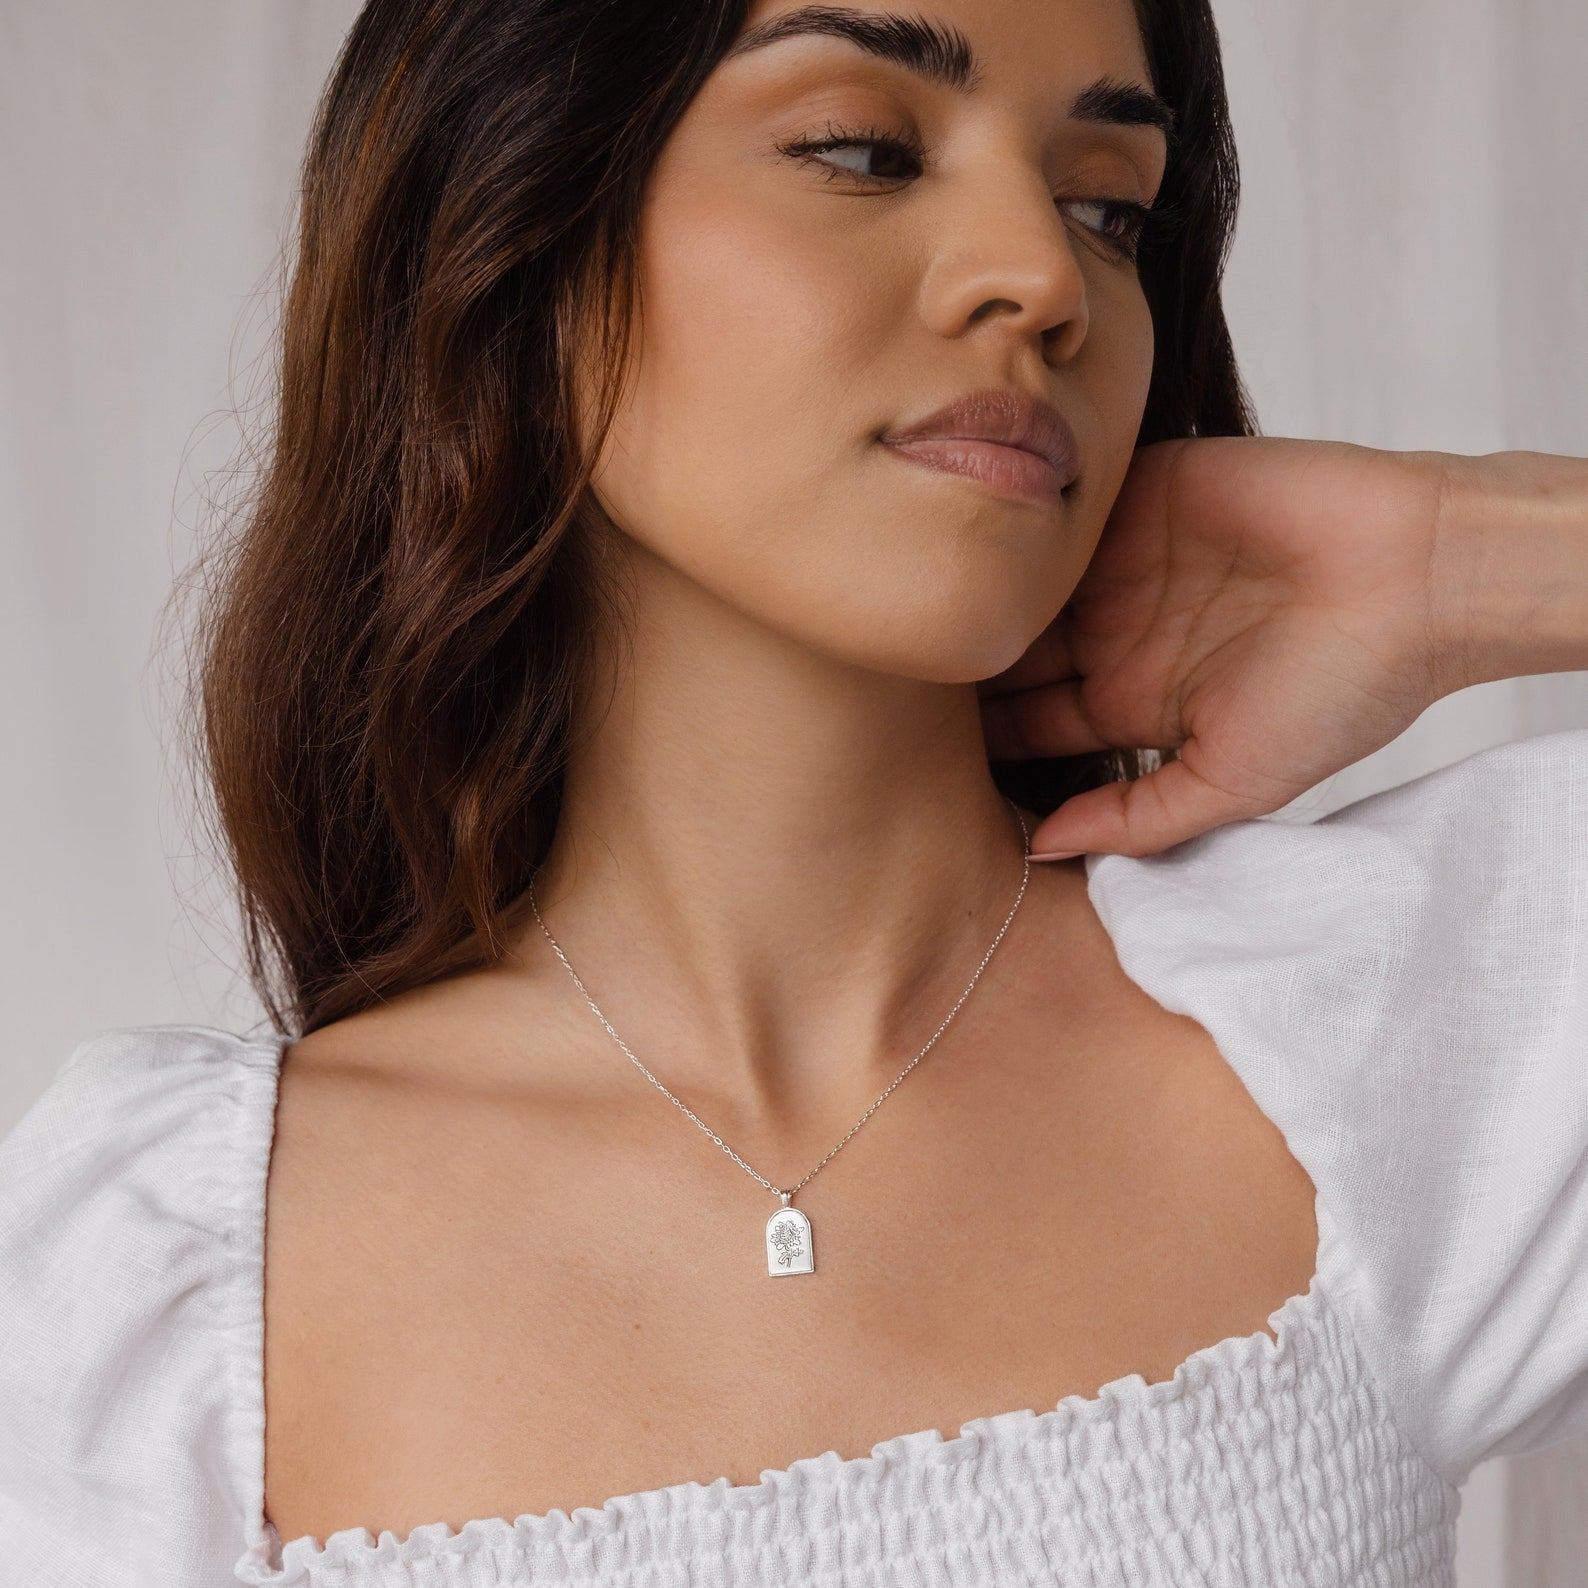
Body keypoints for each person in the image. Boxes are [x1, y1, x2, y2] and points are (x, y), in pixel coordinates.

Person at [2, 0, 1585, 1583]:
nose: (1042, 279)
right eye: (863, 151)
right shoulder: (176, 1279)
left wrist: (1468, 557)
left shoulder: (1383, 1038)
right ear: (520, 235)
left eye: (1109, 207)